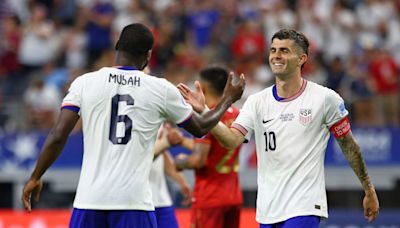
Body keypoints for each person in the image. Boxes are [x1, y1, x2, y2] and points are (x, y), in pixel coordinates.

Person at [21, 23, 245, 228]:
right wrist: (227, 99)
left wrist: (35, 176)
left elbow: (58, 134)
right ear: (148, 56)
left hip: (89, 201)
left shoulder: (85, 82)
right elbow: (201, 127)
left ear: (117, 46)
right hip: (133, 203)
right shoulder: (160, 89)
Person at [178, 29, 379, 227]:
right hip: (268, 210)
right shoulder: (256, 101)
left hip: (304, 206)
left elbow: (349, 146)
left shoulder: (325, 99)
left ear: (302, 58)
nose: (276, 56)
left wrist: (369, 189)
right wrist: (204, 110)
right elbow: (231, 140)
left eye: (284, 50)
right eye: (273, 50)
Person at [175, 67, 243, 228]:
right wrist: (183, 142)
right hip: (233, 195)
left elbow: (199, 160)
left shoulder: (208, 119)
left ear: (203, 88)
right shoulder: (237, 114)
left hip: (210, 197)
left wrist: (181, 162)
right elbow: (218, 146)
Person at [150, 122, 191, 228]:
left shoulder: (159, 120)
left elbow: (162, 154)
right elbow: (140, 158)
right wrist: (166, 141)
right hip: (138, 202)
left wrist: (181, 180)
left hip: (161, 200)